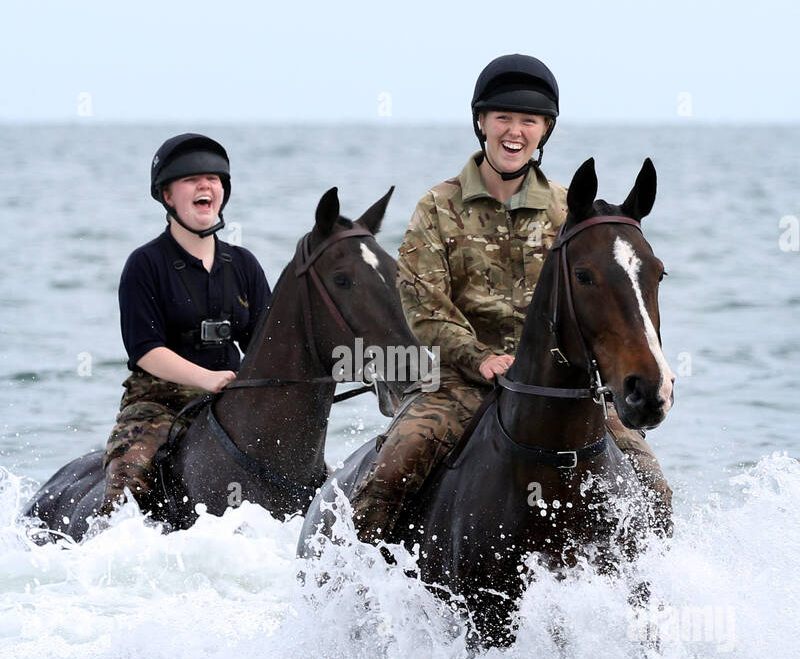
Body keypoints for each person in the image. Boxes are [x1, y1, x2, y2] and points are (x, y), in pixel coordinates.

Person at [349, 53, 673, 543]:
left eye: (529, 120)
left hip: (558, 387)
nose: (514, 131)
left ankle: (654, 604)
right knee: (395, 467)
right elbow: (424, 306)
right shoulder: (438, 207)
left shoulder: (574, 212)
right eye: (503, 117)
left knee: (654, 488)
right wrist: (480, 358)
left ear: (545, 130)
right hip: (459, 382)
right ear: (481, 122)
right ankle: (359, 593)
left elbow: (611, 299)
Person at [98, 133, 273, 516]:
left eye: (214, 179)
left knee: (317, 478)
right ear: (167, 196)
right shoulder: (144, 264)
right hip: (158, 402)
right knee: (125, 487)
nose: (206, 185)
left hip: (232, 400)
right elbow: (145, 350)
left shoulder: (244, 265)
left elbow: (267, 344)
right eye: (192, 179)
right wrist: (207, 378)